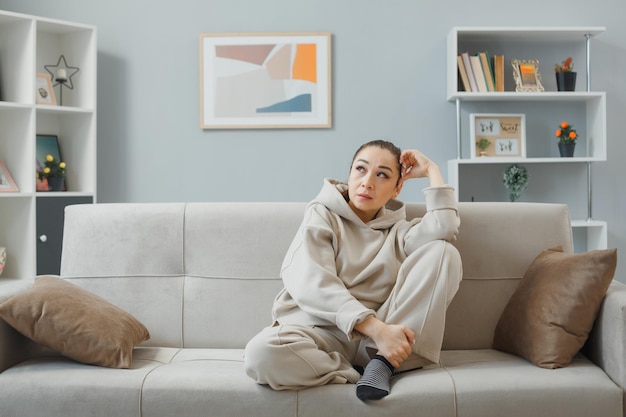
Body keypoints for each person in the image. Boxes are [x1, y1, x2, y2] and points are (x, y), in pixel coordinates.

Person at [244, 139, 462, 401]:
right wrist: (377, 330)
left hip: (377, 340)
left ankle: (382, 363)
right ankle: (364, 371)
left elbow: (445, 228)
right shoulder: (322, 215)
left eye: (382, 175)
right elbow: (311, 282)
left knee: (443, 252)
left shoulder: (400, 231)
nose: (367, 182)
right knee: (261, 354)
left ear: (397, 189)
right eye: (361, 169)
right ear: (349, 175)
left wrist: (431, 169)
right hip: (319, 333)